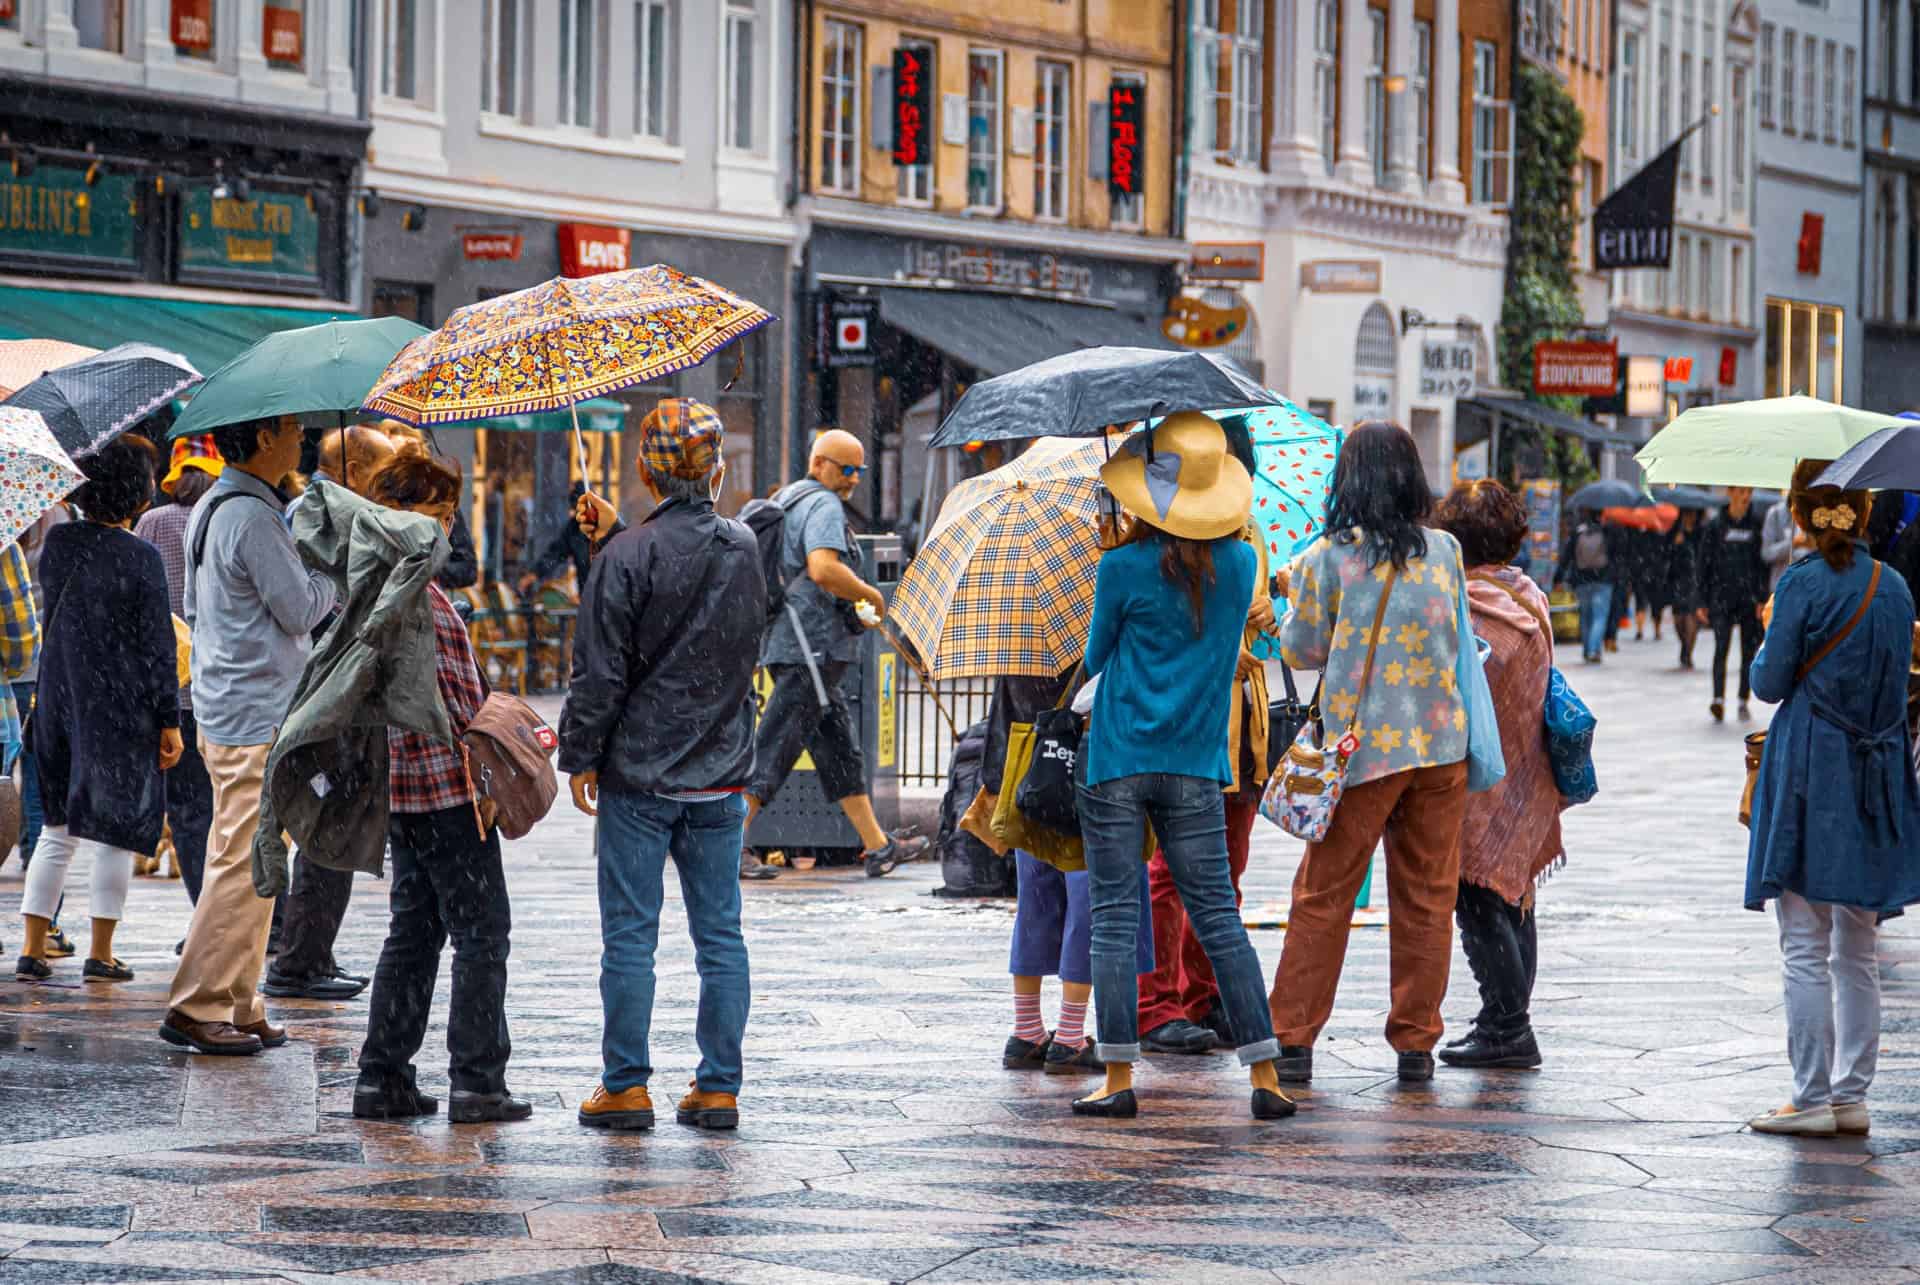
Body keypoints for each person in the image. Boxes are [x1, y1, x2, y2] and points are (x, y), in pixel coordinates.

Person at [1070, 411, 1292, 1122]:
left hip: (1118, 755)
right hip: (1197, 760)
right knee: (1219, 915)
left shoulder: (1121, 565)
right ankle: (1264, 1073)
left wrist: (1118, 550)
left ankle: (1115, 1076)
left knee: (1114, 915)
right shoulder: (1242, 564)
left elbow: (1097, 656)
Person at [561, 400, 766, 1133]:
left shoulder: (626, 557)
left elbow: (601, 673)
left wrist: (581, 754)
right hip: (719, 774)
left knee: (630, 936)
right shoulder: (744, 546)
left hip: (640, 775)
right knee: (720, 935)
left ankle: (626, 1084)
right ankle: (718, 1085)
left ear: (647, 471)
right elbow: (725, 634)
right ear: (715, 471)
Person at [1270, 421, 1470, 1086]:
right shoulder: (1444, 551)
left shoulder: (1333, 555)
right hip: (1440, 745)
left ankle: (1293, 1037)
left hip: (1363, 750)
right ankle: (1416, 1044)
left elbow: (1299, 650)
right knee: (1426, 898)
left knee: (1324, 894)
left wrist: (1289, 594)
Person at [349, 452, 527, 1123]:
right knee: (482, 931)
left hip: (400, 792)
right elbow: (459, 708)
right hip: (447, 792)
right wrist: (487, 773)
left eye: (450, 515)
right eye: (439, 513)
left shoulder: (368, 582)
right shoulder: (420, 597)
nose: (448, 528)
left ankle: (382, 1074)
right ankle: (479, 1078)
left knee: (414, 929)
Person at [1744, 460, 1920, 1136]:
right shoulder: (1896, 587)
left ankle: (1810, 1095)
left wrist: (1776, 621)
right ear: (1863, 511)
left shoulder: (1802, 582)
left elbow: (1767, 681)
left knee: (1802, 940)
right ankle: (1851, 1093)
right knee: (1858, 945)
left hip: (1813, 769)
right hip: (1877, 773)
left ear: (1801, 512)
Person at [162, 414, 335, 1056]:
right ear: (264, 440)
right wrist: (334, 573)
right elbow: (300, 609)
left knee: (248, 855)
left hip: (231, 704)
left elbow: (197, 607)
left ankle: (240, 998)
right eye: (291, 430)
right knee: (243, 861)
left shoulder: (217, 505)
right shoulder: (255, 518)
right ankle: (197, 1003)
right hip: (255, 711)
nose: (300, 441)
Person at [15, 436, 181, 984]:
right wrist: (169, 720)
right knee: (114, 831)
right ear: (138, 491)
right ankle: (101, 951)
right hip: (120, 707)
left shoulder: (60, 543)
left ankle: (33, 948)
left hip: (59, 699)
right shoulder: (141, 557)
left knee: (56, 830)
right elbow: (158, 646)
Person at [1135, 417, 1275, 1057]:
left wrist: (1269, 616)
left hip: (1244, 726)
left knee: (1226, 871)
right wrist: (1224, 644)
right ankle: (1155, 1002)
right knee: (1168, 870)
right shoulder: (1156, 544)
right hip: (1188, 726)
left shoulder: (1251, 540)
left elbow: (1266, 626)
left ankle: (1203, 992)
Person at [744, 429, 926, 879]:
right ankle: (726, 847)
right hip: (813, 647)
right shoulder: (822, 504)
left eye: (858, 471)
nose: (852, 480)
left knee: (839, 750)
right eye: (845, 469)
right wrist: (871, 595)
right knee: (773, 749)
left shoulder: (789, 498)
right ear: (820, 462)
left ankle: (877, 845)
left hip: (798, 645)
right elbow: (824, 568)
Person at [258, 425, 398, 1002]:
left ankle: (306, 954)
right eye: (383, 473)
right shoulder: (317, 513)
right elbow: (319, 601)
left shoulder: (324, 509)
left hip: (338, 685)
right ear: (356, 468)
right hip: (332, 687)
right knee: (331, 821)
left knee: (335, 818)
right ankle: (300, 960)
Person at [1432, 481, 1566, 1070]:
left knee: (1479, 895)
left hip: (1483, 774)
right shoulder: (1528, 593)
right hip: (1527, 770)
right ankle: (1502, 1019)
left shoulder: (1472, 606)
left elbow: (1463, 690)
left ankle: (1509, 1024)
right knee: (1514, 898)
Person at [134, 439, 220, 908]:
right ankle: (248, 918)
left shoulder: (151, 522)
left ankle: (203, 914)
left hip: (171, 685)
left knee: (187, 812)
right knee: (232, 808)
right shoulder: (224, 518)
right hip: (224, 687)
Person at [1697, 485, 1769, 722]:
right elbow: (1703, 564)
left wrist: (1761, 598)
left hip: (1749, 598)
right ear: (1730, 493)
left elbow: (1762, 565)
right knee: (1721, 647)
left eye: (1749, 491)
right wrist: (1702, 600)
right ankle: (1718, 698)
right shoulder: (1715, 526)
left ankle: (1742, 698)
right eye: (1741, 491)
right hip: (1721, 596)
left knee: (1748, 650)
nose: (1746, 496)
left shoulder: (1757, 524)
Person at [1555, 509, 1615, 664]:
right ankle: (1594, 650)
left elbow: (1567, 556)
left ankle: (1588, 649)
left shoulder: (1578, 532)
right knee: (1600, 616)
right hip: (1603, 580)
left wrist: (1558, 577)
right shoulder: (1607, 532)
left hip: (1582, 580)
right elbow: (1616, 556)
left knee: (1585, 616)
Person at [1667, 507, 1707, 669]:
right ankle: (1684, 646)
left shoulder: (1701, 533)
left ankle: (1687, 653)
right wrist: (1675, 545)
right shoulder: (1675, 532)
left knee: (1691, 616)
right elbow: (1666, 555)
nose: (1689, 517)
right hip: (1678, 579)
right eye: (1686, 514)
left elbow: (1705, 555)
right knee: (1678, 618)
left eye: (1692, 514)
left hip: (1695, 579)